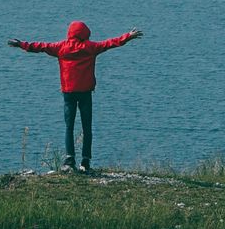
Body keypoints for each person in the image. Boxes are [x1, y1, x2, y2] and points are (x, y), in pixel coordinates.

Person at [8, 21, 143, 173]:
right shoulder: (91, 48)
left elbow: (41, 46)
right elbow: (110, 43)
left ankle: (69, 160)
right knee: (87, 128)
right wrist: (127, 37)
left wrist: (21, 44)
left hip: (68, 93)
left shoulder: (60, 48)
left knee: (69, 127)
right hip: (85, 93)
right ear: (85, 33)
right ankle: (85, 162)